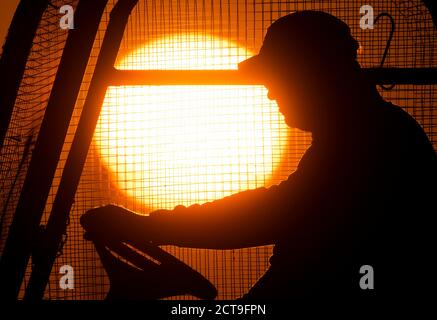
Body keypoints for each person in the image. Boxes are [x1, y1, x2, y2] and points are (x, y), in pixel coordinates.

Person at [81, 11, 437, 299]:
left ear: (309, 75)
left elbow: (272, 214)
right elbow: (280, 210)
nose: (271, 95)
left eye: (277, 80)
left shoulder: (367, 140)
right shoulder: (362, 132)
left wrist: (146, 226)